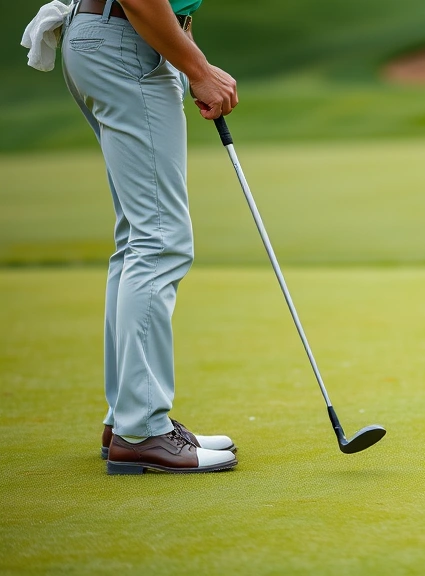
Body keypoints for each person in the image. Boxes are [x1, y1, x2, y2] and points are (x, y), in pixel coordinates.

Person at [61, 0, 239, 474]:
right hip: (124, 43)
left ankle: (128, 417)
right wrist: (197, 69)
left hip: (115, 40)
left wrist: (187, 58)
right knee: (160, 240)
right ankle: (141, 430)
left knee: (139, 238)